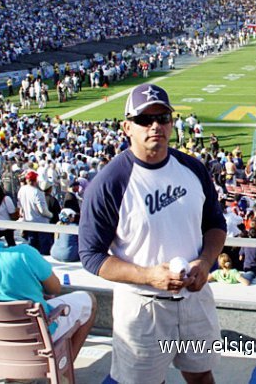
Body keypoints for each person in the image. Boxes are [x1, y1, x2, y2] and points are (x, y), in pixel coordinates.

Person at [78, 83, 227, 384]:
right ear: (127, 127)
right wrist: (148, 276)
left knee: (201, 376)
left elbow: (215, 224)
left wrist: (205, 261)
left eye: (163, 118)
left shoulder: (193, 168)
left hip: (193, 298)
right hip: (142, 307)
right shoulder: (110, 183)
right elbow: (91, 256)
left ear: (172, 123)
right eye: (144, 119)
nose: (155, 126)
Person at [0, 242, 97, 360]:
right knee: (89, 299)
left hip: (3, 340)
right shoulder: (24, 254)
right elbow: (54, 288)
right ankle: (64, 369)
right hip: (38, 335)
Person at [18, 170, 54, 254]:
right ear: (35, 180)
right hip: (41, 223)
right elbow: (42, 210)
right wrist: (51, 215)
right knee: (44, 251)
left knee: (32, 249)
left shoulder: (21, 190)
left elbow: (20, 206)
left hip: (29, 222)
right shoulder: (37, 192)